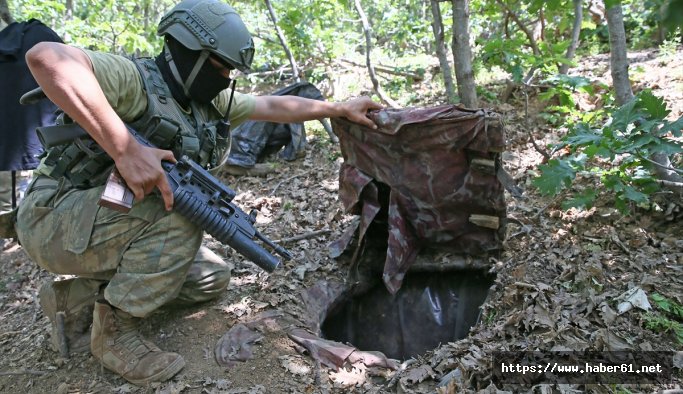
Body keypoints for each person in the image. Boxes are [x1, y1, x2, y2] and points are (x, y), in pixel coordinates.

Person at [14, 0, 382, 386]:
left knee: (209, 277)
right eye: (220, 66)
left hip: (107, 218)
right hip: (52, 217)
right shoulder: (132, 79)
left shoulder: (204, 102)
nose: (226, 77)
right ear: (189, 53)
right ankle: (113, 336)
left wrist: (338, 108)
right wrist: (125, 148)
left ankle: (73, 300)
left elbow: (272, 105)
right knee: (177, 216)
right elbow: (46, 57)